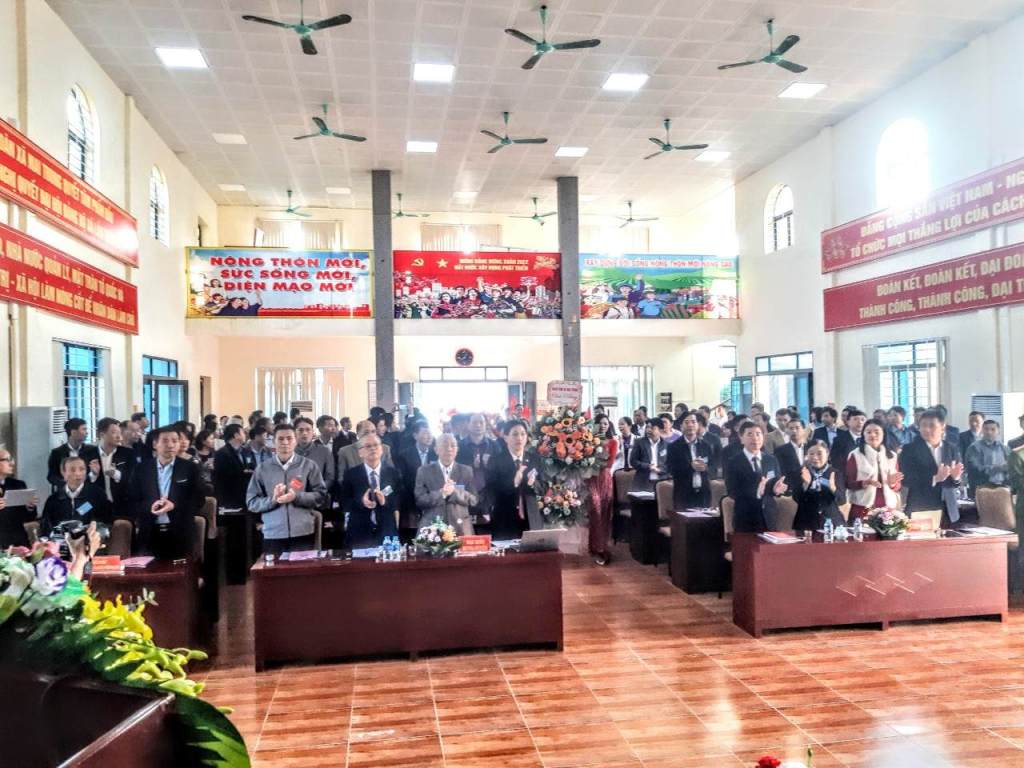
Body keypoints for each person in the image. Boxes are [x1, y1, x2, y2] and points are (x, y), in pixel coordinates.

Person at [246, 423, 327, 555]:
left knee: (302, 568)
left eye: (289, 438)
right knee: (274, 568)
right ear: (273, 442)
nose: (285, 442)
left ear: (296, 441)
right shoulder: (262, 469)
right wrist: (273, 500)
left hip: (303, 531)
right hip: (273, 533)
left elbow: (321, 496)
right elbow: (252, 502)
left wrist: (296, 497)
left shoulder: (308, 465)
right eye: (280, 439)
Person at [128, 426, 204, 559]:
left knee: (181, 570)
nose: (170, 445)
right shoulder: (142, 469)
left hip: (180, 532)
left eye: (175, 441)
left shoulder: (190, 468)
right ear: (155, 444)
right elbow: (132, 499)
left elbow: (198, 500)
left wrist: (174, 505)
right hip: (149, 532)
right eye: (165, 441)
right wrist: (150, 506)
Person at [900, 409, 964, 525]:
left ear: (942, 427)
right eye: (923, 425)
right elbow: (906, 479)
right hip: (921, 506)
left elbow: (956, 482)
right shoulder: (910, 449)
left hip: (948, 508)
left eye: (931, 426)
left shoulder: (951, 448)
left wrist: (956, 478)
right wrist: (935, 479)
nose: (927, 429)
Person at [724, 422, 787, 533]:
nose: (755, 438)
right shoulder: (733, 462)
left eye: (758, 434)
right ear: (741, 438)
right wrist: (756, 492)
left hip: (768, 517)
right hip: (745, 517)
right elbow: (732, 491)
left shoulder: (771, 459)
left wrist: (776, 490)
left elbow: (775, 484)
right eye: (750, 434)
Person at [340, 433, 400, 548]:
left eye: (376, 445)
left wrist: (385, 501)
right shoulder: (351, 474)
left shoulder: (393, 473)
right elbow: (344, 502)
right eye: (368, 446)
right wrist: (361, 502)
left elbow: (399, 499)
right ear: (360, 453)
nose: (373, 449)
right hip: (359, 530)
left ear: (382, 449)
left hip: (386, 530)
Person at [487, 420, 543, 539]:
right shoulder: (496, 460)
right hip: (505, 518)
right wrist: (514, 482)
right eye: (515, 434)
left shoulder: (534, 459)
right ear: (505, 437)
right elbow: (491, 490)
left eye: (523, 434)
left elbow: (543, 486)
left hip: (531, 518)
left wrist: (533, 483)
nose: (519, 438)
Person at [414, 434, 476, 536]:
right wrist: (441, 493)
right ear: (436, 450)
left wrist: (455, 492)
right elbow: (420, 500)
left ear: (457, 449)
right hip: (432, 529)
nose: (449, 449)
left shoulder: (466, 471)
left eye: (453, 445)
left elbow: (474, 500)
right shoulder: (424, 471)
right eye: (445, 445)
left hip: (461, 528)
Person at [845, 419, 903, 522]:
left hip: (887, 508)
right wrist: (864, 483)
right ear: (863, 435)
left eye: (877, 432)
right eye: (868, 432)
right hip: (862, 507)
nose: (873, 435)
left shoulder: (892, 456)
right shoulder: (855, 455)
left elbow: (898, 486)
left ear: (884, 434)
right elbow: (848, 483)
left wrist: (892, 483)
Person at [41, 455, 110, 535]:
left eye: (82, 469)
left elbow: (106, 521)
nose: (78, 473)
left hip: (89, 538)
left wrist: (94, 527)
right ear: (63, 473)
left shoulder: (97, 494)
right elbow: (46, 527)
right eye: (72, 470)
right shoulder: (53, 499)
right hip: (60, 540)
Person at [456, 412, 500, 528]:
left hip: (489, 495)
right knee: (467, 531)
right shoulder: (459, 446)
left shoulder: (494, 445)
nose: (478, 425)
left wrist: (488, 465)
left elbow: (501, 470)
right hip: (466, 494)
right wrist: (471, 466)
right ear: (468, 424)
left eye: (481, 422)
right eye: (474, 422)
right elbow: (455, 470)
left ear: (486, 425)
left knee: (489, 531)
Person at [397, 422, 437, 541]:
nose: (429, 436)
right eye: (425, 433)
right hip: (411, 500)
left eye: (430, 433)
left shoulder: (436, 453)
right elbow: (403, 481)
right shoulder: (404, 455)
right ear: (415, 436)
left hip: (432, 500)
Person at [587, 414, 618, 565]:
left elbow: (610, 463)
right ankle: (595, 546)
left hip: (605, 479)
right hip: (591, 478)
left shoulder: (613, 442)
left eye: (606, 423)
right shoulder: (588, 440)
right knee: (595, 509)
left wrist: (593, 462)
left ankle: (602, 547)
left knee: (604, 514)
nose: (603, 426)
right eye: (600, 423)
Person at [792, 444, 843, 532]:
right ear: (806, 455)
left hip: (831, 522)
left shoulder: (835, 473)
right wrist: (806, 484)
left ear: (827, 454)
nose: (815, 457)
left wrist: (833, 488)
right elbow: (796, 498)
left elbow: (842, 500)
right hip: (805, 522)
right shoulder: (801, 472)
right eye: (811, 454)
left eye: (819, 453)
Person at [668, 412, 713, 510]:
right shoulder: (674, 447)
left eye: (693, 422)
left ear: (698, 425)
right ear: (681, 426)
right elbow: (671, 469)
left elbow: (713, 468)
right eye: (686, 422)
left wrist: (705, 468)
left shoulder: (706, 446)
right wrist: (690, 466)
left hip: (703, 493)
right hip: (683, 494)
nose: (690, 425)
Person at [89, 417, 135, 509]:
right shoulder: (87, 455)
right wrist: (93, 474)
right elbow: (81, 484)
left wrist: (116, 474)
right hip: (93, 504)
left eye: (120, 433)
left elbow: (133, 479)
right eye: (114, 433)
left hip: (122, 504)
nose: (119, 437)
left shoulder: (128, 454)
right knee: (79, 513)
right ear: (102, 435)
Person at [213, 424, 257, 510]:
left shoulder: (247, 451)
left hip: (248, 492)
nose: (245, 435)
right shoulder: (222, 453)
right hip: (230, 495)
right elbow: (222, 477)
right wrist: (243, 472)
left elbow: (253, 466)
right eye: (243, 433)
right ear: (236, 435)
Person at [0, 446, 37, 548]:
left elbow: (29, 518)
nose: (12, 463)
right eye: (7, 460)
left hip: (19, 542)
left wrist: (30, 507)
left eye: (11, 459)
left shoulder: (18, 484)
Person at [293, 416, 336, 502]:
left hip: (318, 499)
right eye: (300, 430)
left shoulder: (324, 451)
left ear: (313, 432)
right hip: (294, 498)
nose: (304, 433)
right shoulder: (290, 452)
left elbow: (330, 477)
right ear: (294, 433)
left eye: (308, 430)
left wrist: (317, 492)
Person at [47, 418, 96, 490]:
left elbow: (95, 473)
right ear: (73, 432)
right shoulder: (57, 453)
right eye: (84, 429)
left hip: (87, 490)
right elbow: (51, 477)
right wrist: (67, 484)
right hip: (65, 491)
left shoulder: (92, 450)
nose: (87, 433)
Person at [964, 419, 1010, 495]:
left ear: (998, 431)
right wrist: (998, 468)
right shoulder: (974, 448)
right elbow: (974, 469)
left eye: (993, 429)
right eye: (986, 429)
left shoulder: (1004, 448)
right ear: (982, 431)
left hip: (1003, 487)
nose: (989, 432)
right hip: (982, 488)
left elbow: (1011, 468)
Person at [629, 420, 669, 492]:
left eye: (652, 428)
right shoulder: (639, 442)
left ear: (660, 430)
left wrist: (660, 470)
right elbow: (633, 461)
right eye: (647, 427)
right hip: (643, 481)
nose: (649, 430)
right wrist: (648, 466)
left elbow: (670, 464)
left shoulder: (667, 445)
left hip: (661, 482)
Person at [774, 418, 811, 492]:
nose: (794, 431)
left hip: (812, 488)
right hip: (791, 490)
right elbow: (781, 472)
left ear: (803, 429)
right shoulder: (780, 450)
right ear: (787, 431)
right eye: (791, 428)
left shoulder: (811, 447)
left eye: (797, 428)